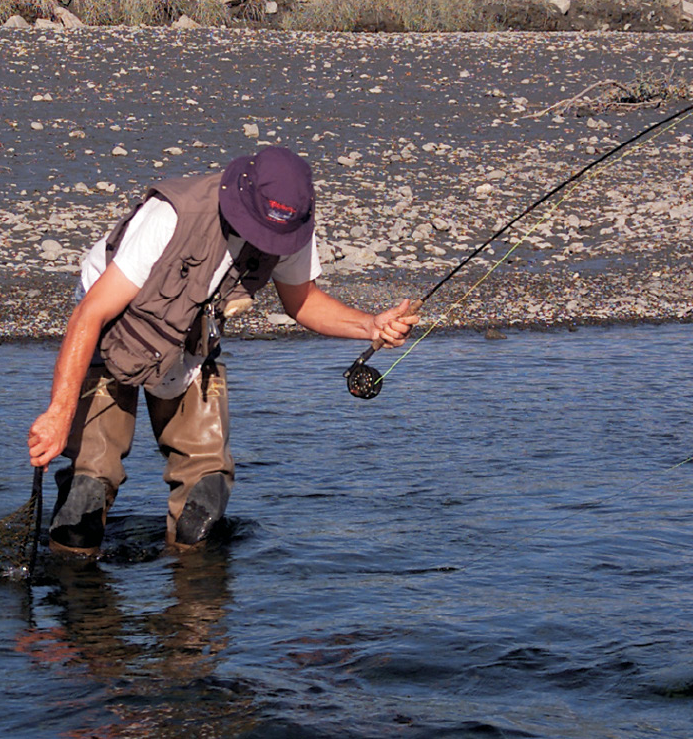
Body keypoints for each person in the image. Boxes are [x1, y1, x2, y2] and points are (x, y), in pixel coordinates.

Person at [27, 146, 418, 555]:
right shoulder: (172, 216)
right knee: (87, 494)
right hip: (113, 332)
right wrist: (58, 413)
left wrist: (369, 325)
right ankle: (75, 593)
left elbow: (300, 300)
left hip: (190, 343)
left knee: (205, 497)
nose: (266, 241)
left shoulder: (290, 224)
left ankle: (194, 601)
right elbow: (89, 315)